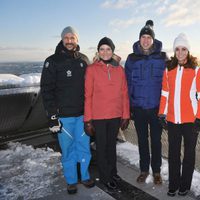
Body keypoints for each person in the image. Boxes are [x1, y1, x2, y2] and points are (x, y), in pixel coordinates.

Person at [40, 26, 95, 195]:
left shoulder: (84, 60)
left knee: (84, 147)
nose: (70, 41)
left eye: (73, 37)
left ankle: (84, 176)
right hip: (63, 117)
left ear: (77, 39)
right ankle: (71, 180)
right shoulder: (52, 61)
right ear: (62, 39)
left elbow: (93, 85)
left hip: (82, 115)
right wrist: (52, 116)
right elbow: (46, 89)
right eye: (67, 38)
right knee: (68, 149)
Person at [125, 20, 168, 184]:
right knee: (142, 140)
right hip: (138, 107)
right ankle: (144, 170)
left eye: (148, 37)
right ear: (139, 39)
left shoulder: (162, 57)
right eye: (143, 37)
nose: (145, 40)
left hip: (157, 108)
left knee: (156, 141)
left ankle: (156, 171)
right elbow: (126, 84)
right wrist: (128, 107)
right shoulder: (132, 58)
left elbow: (169, 83)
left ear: (153, 40)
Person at [84, 37, 130, 191]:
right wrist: (88, 120)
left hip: (115, 115)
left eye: (108, 49)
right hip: (98, 116)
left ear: (112, 51)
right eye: (102, 49)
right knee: (102, 147)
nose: (105, 52)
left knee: (112, 146)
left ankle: (113, 172)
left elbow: (124, 93)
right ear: (98, 51)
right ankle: (105, 177)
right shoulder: (91, 69)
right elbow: (87, 95)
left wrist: (125, 115)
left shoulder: (119, 70)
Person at [158, 33, 200, 197]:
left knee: (189, 154)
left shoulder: (196, 70)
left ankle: (185, 185)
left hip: (191, 120)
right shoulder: (169, 70)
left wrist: (199, 117)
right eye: (177, 49)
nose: (180, 52)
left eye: (183, 49)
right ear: (174, 51)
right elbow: (165, 93)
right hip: (173, 119)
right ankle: (174, 184)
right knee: (173, 153)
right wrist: (162, 113)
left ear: (188, 51)